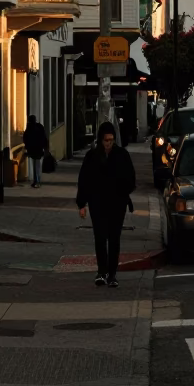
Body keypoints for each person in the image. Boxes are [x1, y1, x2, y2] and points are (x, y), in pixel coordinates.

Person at [76, 121, 136, 288]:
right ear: (100, 140)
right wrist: (82, 203)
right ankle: (102, 272)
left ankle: (112, 274)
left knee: (114, 238)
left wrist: (123, 192)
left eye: (111, 140)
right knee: (100, 238)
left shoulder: (122, 155)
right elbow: (84, 180)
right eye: (105, 140)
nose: (108, 144)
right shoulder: (92, 157)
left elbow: (131, 179)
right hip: (98, 203)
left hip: (117, 203)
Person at [23, 114, 48, 188]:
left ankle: (35, 180)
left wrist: (27, 147)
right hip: (39, 149)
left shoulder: (29, 128)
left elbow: (25, 138)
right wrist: (45, 147)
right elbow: (44, 138)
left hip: (32, 149)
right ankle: (37, 180)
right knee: (37, 165)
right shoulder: (39, 126)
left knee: (34, 165)